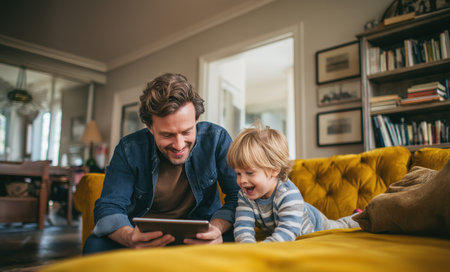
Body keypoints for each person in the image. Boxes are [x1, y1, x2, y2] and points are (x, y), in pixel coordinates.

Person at [83, 73, 240, 254]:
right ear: (150, 127)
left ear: (196, 119)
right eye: (167, 135)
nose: (179, 145)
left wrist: (216, 229)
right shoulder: (129, 149)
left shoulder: (217, 139)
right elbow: (109, 205)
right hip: (145, 237)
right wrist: (129, 237)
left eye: (187, 131)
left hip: (199, 236)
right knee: (94, 246)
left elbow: (238, 196)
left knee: (239, 239)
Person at [227, 124, 360, 243]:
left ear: (274, 170)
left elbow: (287, 232)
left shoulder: (287, 194)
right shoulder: (245, 195)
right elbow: (243, 227)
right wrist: (247, 247)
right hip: (283, 223)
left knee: (340, 226)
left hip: (315, 224)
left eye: (249, 173)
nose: (242, 180)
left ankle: (358, 216)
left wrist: (264, 247)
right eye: (238, 173)